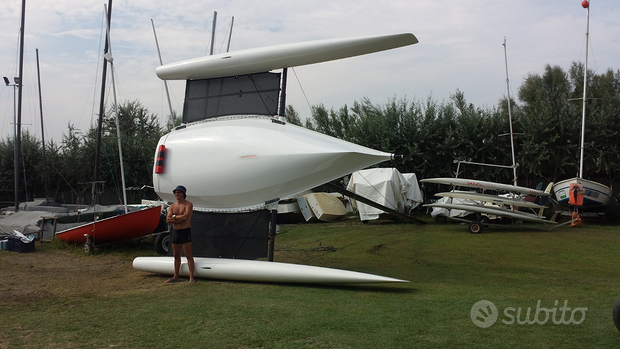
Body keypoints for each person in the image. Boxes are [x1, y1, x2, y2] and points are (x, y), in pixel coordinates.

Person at [165, 185, 196, 285]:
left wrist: (173, 217)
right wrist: (177, 217)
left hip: (185, 231)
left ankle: (191, 277)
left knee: (188, 255)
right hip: (175, 232)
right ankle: (176, 276)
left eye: (178, 192)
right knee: (176, 255)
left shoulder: (188, 204)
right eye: (175, 192)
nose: (176, 194)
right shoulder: (172, 206)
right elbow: (167, 219)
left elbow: (185, 218)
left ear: (183, 194)